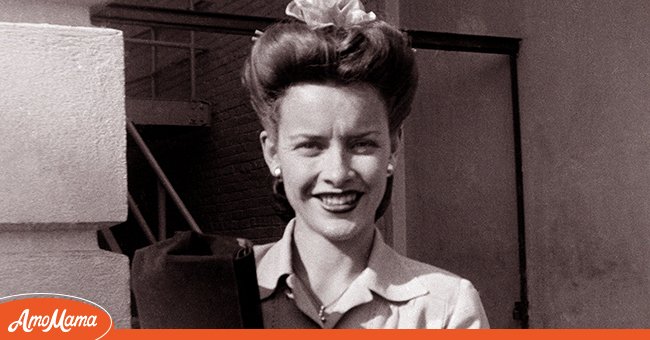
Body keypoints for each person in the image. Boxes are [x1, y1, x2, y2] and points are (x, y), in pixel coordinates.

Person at [241, 0, 489, 329]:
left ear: (393, 148)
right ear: (272, 153)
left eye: (362, 144)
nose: (338, 173)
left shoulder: (446, 310)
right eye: (310, 146)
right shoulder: (219, 290)